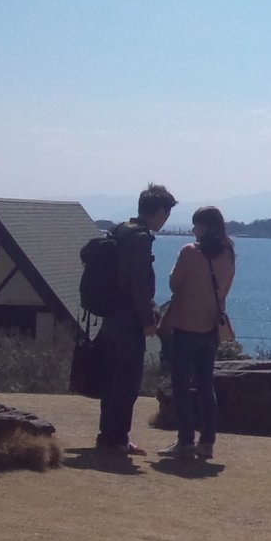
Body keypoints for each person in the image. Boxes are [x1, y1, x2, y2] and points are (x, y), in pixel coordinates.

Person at [97, 183, 176, 458]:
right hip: (128, 319)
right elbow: (138, 284)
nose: (166, 220)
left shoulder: (120, 230)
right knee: (127, 381)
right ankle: (117, 438)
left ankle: (109, 435)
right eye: (166, 213)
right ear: (159, 211)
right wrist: (148, 319)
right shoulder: (141, 238)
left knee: (111, 380)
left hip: (110, 315)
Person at [157, 205, 235, 462]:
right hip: (211, 327)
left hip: (185, 326)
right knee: (205, 385)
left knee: (181, 386)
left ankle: (185, 441)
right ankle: (207, 442)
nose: (193, 229)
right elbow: (225, 289)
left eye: (196, 224)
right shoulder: (228, 253)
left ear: (205, 226)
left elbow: (174, 282)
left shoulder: (190, 252)